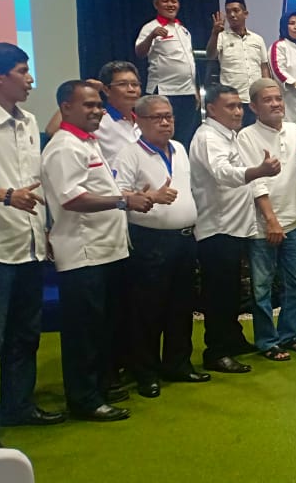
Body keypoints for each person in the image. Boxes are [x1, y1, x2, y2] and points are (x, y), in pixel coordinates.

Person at [0, 43, 63, 452]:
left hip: (29, 244)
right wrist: (6, 195)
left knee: (25, 335)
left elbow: (35, 183)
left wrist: (46, 229)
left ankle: (18, 406)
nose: (31, 79)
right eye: (23, 71)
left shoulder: (29, 120)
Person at [43, 80, 155, 421]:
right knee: (84, 333)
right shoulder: (65, 146)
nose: (97, 111)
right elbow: (71, 198)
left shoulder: (87, 142)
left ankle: (99, 387)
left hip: (106, 250)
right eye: (88, 105)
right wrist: (124, 200)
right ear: (66, 107)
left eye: (98, 105)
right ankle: (84, 400)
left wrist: (125, 198)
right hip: (83, 253)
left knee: (103, 327)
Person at [112, 94, 209, 398]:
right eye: (157, 117)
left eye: (169, 116)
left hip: (184, 238)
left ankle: (178, 363)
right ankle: (146, 372)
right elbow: (118, 195)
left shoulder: (179, 148)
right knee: (148, 310)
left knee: (181, 306)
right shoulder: (129, 154)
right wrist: (149, 197)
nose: (165, 122)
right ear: (139, 120)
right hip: (150, 240)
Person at [190, 84, 281, 374]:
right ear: (211, 109)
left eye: (240, 106)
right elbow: (222, 174)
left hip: (234, 226)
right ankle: (216, 352)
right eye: (230, 106)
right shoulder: (208, 137)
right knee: (219, 294)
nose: (238, 111)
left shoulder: (228, 136)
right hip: (217, 227)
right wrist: (258, 171)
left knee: (230, 291)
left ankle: (231, 339)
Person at [237, 79, 296, 361]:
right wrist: (271, 220)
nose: (276, 104)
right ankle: (267, 341)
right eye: (267, 100)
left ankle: (290, 335)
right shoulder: (247, 136)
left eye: (278, 98)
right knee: (261, 289)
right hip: (263, 226)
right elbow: (255, 183)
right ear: (254, 107)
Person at [135, 0, 199, 147]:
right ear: (156, 4)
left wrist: (195, 90)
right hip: (164, 91)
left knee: (185, 138)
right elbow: (139, 53)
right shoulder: (151, 27)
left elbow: (189, 62)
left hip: (187, 93)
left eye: (173, 1)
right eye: (165, 1)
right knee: (161, 137)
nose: (170, 4)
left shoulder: (183, 29)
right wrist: (152, 36)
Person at [206, 0, 270, 127]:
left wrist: (267, 90)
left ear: (245, 14)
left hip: (255, 98)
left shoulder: (257, 39)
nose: (232, 15)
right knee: (233, 132)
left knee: (256, 133)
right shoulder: (221, 37)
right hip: (233, 98)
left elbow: (264, 67)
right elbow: (210, 55)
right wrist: (214, 33)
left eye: (236, 10)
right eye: (228, 12)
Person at [92, 61, 143, 163]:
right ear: (106, 90)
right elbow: (57, 130)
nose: (131, 89)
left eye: (135, 84)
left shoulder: (144, 122)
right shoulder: (98, 121)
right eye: (122, 84)